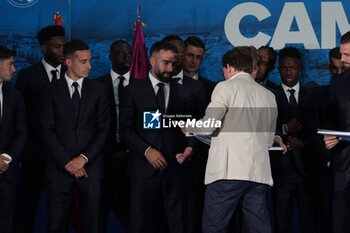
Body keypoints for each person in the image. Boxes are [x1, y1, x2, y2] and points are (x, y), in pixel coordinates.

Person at [185, 46, 279, 233]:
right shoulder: (269, 95)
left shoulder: (225, 87)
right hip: (258, 175)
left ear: (229, 67)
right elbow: (268, 140)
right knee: (259, 229)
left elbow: (209, 125)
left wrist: (190, 127)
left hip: (227, 174)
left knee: (214, 228)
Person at [120, 40, 194, 233]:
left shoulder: (184, 92)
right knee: (141, 225)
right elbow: (125, 130)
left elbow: (191, 128)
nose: (170, 68)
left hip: (176, 172)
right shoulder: (132, 90)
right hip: (143, 172)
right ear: (152, 60)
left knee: (178, 225)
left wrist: (188, 148)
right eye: (166, 63)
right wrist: (147, 151)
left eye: (174, 63)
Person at [39, 39, 111, 233]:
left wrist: (83, 159)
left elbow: (104, 130)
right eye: (84, 61)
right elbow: (47, 131)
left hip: (91, 168)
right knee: (56, 224)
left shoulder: (99, 90)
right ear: (68, 62)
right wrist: (68, 163)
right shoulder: (50, 91)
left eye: (90, 60)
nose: (90, 65)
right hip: (58, 169)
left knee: (93, 224)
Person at [15, 25, 66, 233]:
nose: (62, 50)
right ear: (44, 48)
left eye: (64, 46)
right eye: (56, 46)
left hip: (64, 156)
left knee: (61, 211)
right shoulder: (27, 76)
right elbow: (20, 115)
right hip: (35, 155)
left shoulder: (73, 74)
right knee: (27, 208)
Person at [272, 47, 318, 233]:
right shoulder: (269, 95)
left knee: (309, 222)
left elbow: (316, 129)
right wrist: (283, 132)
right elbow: (263, 129)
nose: (289, 72)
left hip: (307, 171)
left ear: (300, 68)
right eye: (284, 67)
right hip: (280, 171)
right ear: (278, 68)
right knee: (281, 223)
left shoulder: (312, 95)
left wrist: (303, 143)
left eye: (293, 68)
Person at [95, 40, 133, 231]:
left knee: (133, 212)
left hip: (134, 158)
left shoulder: (143, 85)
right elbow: (90, 125)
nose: (127, 57)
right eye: (121, 53)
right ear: (110, 56)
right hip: (103, 158)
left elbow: (148, 126)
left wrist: (130, 150)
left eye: (129, 53)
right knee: (99, 211)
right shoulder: (95, 86)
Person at [324, 31, 350, 233]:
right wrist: (329, 136)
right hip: (344, 163)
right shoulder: (337, 83)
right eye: (342, 54)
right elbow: (330, 120)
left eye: (348, 55)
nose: (342, 60)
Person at [0, 46, 27, 233]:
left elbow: (22, 133)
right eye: (10, 64)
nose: (14, 70)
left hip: (7, 174)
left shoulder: (15, 96)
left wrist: (6, 158)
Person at [183, 35, 216, 102]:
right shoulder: (169, 84)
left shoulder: (212, 88)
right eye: (190, 55)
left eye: (198, 57)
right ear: (182, 55)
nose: (194, 61)